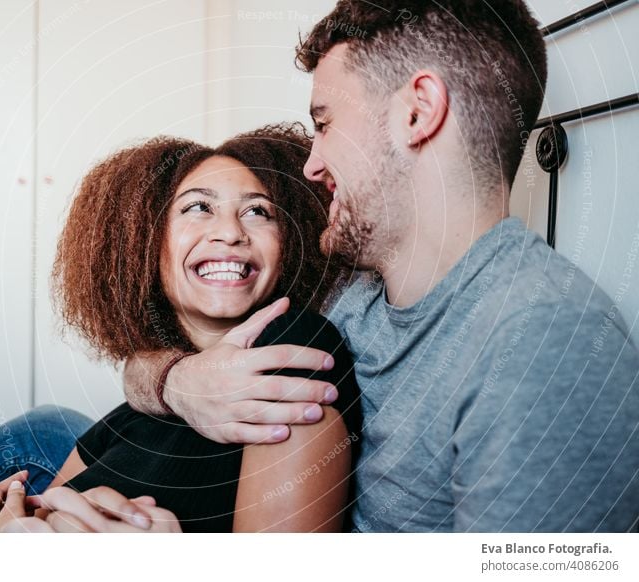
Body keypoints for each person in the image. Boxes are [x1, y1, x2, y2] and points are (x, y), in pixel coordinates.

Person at [118, 0, 639, 532]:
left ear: (418, 112)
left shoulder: (547, 346)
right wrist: (175, 382)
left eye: (325, 124)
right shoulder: (348, 290)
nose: (311, 164)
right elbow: (151, 360)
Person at [0, 123, 361, 533]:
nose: (229, 232)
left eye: (258, 213)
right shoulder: (138, 407)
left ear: (288, 243)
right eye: (198, 208)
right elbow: (38, 512)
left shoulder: (291, 350)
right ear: (144, 244)